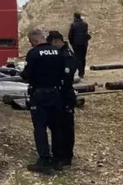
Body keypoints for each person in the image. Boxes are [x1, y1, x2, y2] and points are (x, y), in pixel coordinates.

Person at [20, 29, 67, 174]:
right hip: (55, 93)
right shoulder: (57, 51)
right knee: (56, 127)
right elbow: (62, 72)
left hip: (39, 94)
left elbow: (26, 74)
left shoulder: (33, 54)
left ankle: (44, 160)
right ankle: (58, 159)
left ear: (34, 40)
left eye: (30, 42)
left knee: (40, 128)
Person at [47, 30, 77, 168]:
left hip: (65, 95)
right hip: (58, 94)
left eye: (52, 45)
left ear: (57, 42)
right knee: (57, 126)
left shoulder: (67, 55)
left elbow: (66, 77)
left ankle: (65, 156)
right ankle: (58, 154)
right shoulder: (61, 54)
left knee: (65, 127)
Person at [67, 12, 91, 78]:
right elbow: (86, 34)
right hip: (84, 43)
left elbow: (70, 36)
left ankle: (80, 72)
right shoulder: (85, 24)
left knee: (78, 58)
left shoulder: (73, 25)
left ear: (75, 17)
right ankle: (82, 72)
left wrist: (72, 43)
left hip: (76, 44)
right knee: (83, 57)